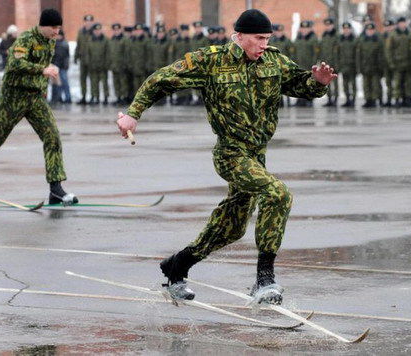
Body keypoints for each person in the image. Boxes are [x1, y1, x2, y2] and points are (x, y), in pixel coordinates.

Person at [116, 9, 336, 302]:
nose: (264, 44)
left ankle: (176, 265)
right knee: (277, 194)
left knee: (230, 227)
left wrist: (317, 81)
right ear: (240, 36)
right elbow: (162, 80)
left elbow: (299, 85)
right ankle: (264, 280)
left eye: (268, 38)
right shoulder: (211, 61)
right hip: (231, 153)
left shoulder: (274, 60)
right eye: (259, 38)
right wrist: (133, 114)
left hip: (257, 155)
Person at [0, 9, 78, 206]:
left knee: (52, 136)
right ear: (43, 25)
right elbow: (15, 63)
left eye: (59, 28)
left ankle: (55, 188)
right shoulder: (26, 39)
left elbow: (43, 68)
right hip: (13, 96)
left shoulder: (50, 41)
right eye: (53, 27)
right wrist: (42, 69)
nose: (57, 32)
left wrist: (46, 77)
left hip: (34, 98)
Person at [357, 23, 383, 107]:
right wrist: (360, 66)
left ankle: (375, 99)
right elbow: (359, 55)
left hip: (375, 66)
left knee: (376, 85)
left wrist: (380, 66)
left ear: (374, 30)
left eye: (371, 30)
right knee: (366, 85)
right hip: (365, 66)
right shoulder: (362, 40)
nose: (370, 32)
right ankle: (368, 100)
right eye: (368, 30)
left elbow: (381, 54)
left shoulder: (378, 40)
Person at [86, 23, 109, 105]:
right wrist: (89, 63)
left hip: (103, 65)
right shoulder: (90, 39)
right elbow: (88, 53)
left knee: (104, 83)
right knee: (94, 82)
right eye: (96, 30)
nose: (97, 32)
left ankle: (106, 97)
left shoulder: (105, 40)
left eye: (99, 30)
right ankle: (95, 97)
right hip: (93, 65)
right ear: (93, 31)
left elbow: (108, 53)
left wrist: (106, 64)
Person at [74, 14, 94, 105]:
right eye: (87, 21)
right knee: (83, 79)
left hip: (92, 59)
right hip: (82, 59)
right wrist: (75, 56)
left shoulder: (95, 32)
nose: (88, 23)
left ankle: (93, 97)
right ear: (84, 22)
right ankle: (84, 96)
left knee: (93, 79)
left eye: (90, 21)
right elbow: (78, 45)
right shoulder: (81, 32)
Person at [337, 22, 357, 107]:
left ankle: (353, 100)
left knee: (353, 84)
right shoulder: (340, 39)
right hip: (343, 65)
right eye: (344, 29)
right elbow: (337, 53)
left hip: (352, 65)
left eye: (347, 29)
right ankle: (347, 99)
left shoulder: (354, 39)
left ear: (350, 29)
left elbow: (357, 54)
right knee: (345, 84)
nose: (346, 30)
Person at [320, 18, 339, 106]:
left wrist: (338, 63)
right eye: (326, 25)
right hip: (326, 63)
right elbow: (322, 49)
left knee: (335, 82)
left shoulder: (337, 36)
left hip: (335, 62)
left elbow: (339, 51)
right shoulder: (324, 35)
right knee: (326, 82)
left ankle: (336, 98)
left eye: (329, 25)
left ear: (332, 25)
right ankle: (329, 98)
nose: (328, 27)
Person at [51, 30, 71, 104]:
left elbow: (66, 56)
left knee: (64, 83)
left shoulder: (64, 44)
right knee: (56, 84)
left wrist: (66, 65)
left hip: (62, 67)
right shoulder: (54, 44)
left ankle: (67, 98)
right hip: (55, 66)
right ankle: (57, 98)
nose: (58, 37)